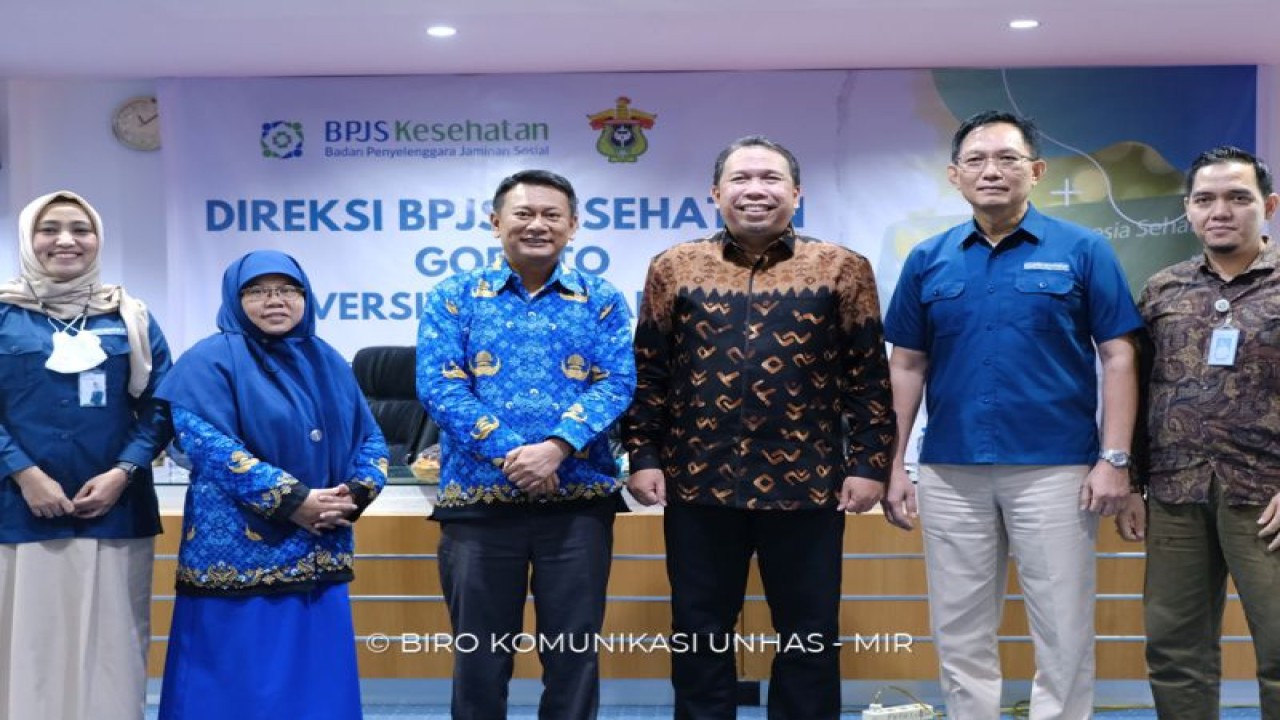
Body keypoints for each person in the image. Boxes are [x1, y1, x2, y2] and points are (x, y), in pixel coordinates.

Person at [623, 136, 895, 719]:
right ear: (715, 193)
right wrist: (642, 453)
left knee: (809, 634)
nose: (755, 190)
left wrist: (869, 464)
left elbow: (868, 376)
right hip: (698, 484)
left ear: (796, 193)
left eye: (770, 179)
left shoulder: (842, 267)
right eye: (741, 178)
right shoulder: (674, 268)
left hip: (807, 484)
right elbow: (649, 371)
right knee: (699, 631)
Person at [882, 110, 1143, 719]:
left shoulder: (1084, 250)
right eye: (976, 160)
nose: (991, 171)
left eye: (1007, 159)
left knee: (1064, 626)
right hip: (950, 469)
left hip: (1057, 469)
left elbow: (1118, 356)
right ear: (954, 175)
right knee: (960, 627)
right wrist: (891, 464)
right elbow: (907, 366)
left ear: (1037, 171)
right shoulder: (928, 258)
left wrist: (1115, 458)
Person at [416, 169, 636, 719]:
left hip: (578, 504)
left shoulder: (601, 298)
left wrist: (557, 447)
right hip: (479, 504)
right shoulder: (454, 297)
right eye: (523, 214)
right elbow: (439, 386)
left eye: (551, 215)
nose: (537, 225)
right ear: (495, 224)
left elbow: (619, 381)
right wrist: (517, 454)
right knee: (479, 655)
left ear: (573, 226)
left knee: (572, 653)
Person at [155, 250, 387, 719]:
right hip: (239, 551)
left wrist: (356, 493)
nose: (274, 301)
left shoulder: (328, 360)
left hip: (319, 544)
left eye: (287, 290)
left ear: (305, 297)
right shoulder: (207, 360)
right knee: (234, 681)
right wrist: (295, 501)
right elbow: (208, 445)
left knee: (315, 679)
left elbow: (372, 437)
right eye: (257, 291)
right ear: (235, 299)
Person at [1117, 145, 1280, 719]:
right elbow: (1139, 387)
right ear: (1187, 209)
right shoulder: (1163, 290)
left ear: (1269, 206)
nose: (1221, 211)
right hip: (1175, 494)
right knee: (1174, 650)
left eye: (1239, 198)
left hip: (1267, 497)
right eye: (1205, 199)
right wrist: (1133, 482)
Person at [0, 190, 172, 720]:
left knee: (113, 649)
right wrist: (23, 472)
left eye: (81, 228)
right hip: (16, 509)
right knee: (26, 647)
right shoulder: (4, 314)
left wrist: (124, 472)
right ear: (29, 238)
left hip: (114, 511)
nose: (66, 240)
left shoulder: (130, 317)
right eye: (49, 229)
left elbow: (164, 404)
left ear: (99, 237)